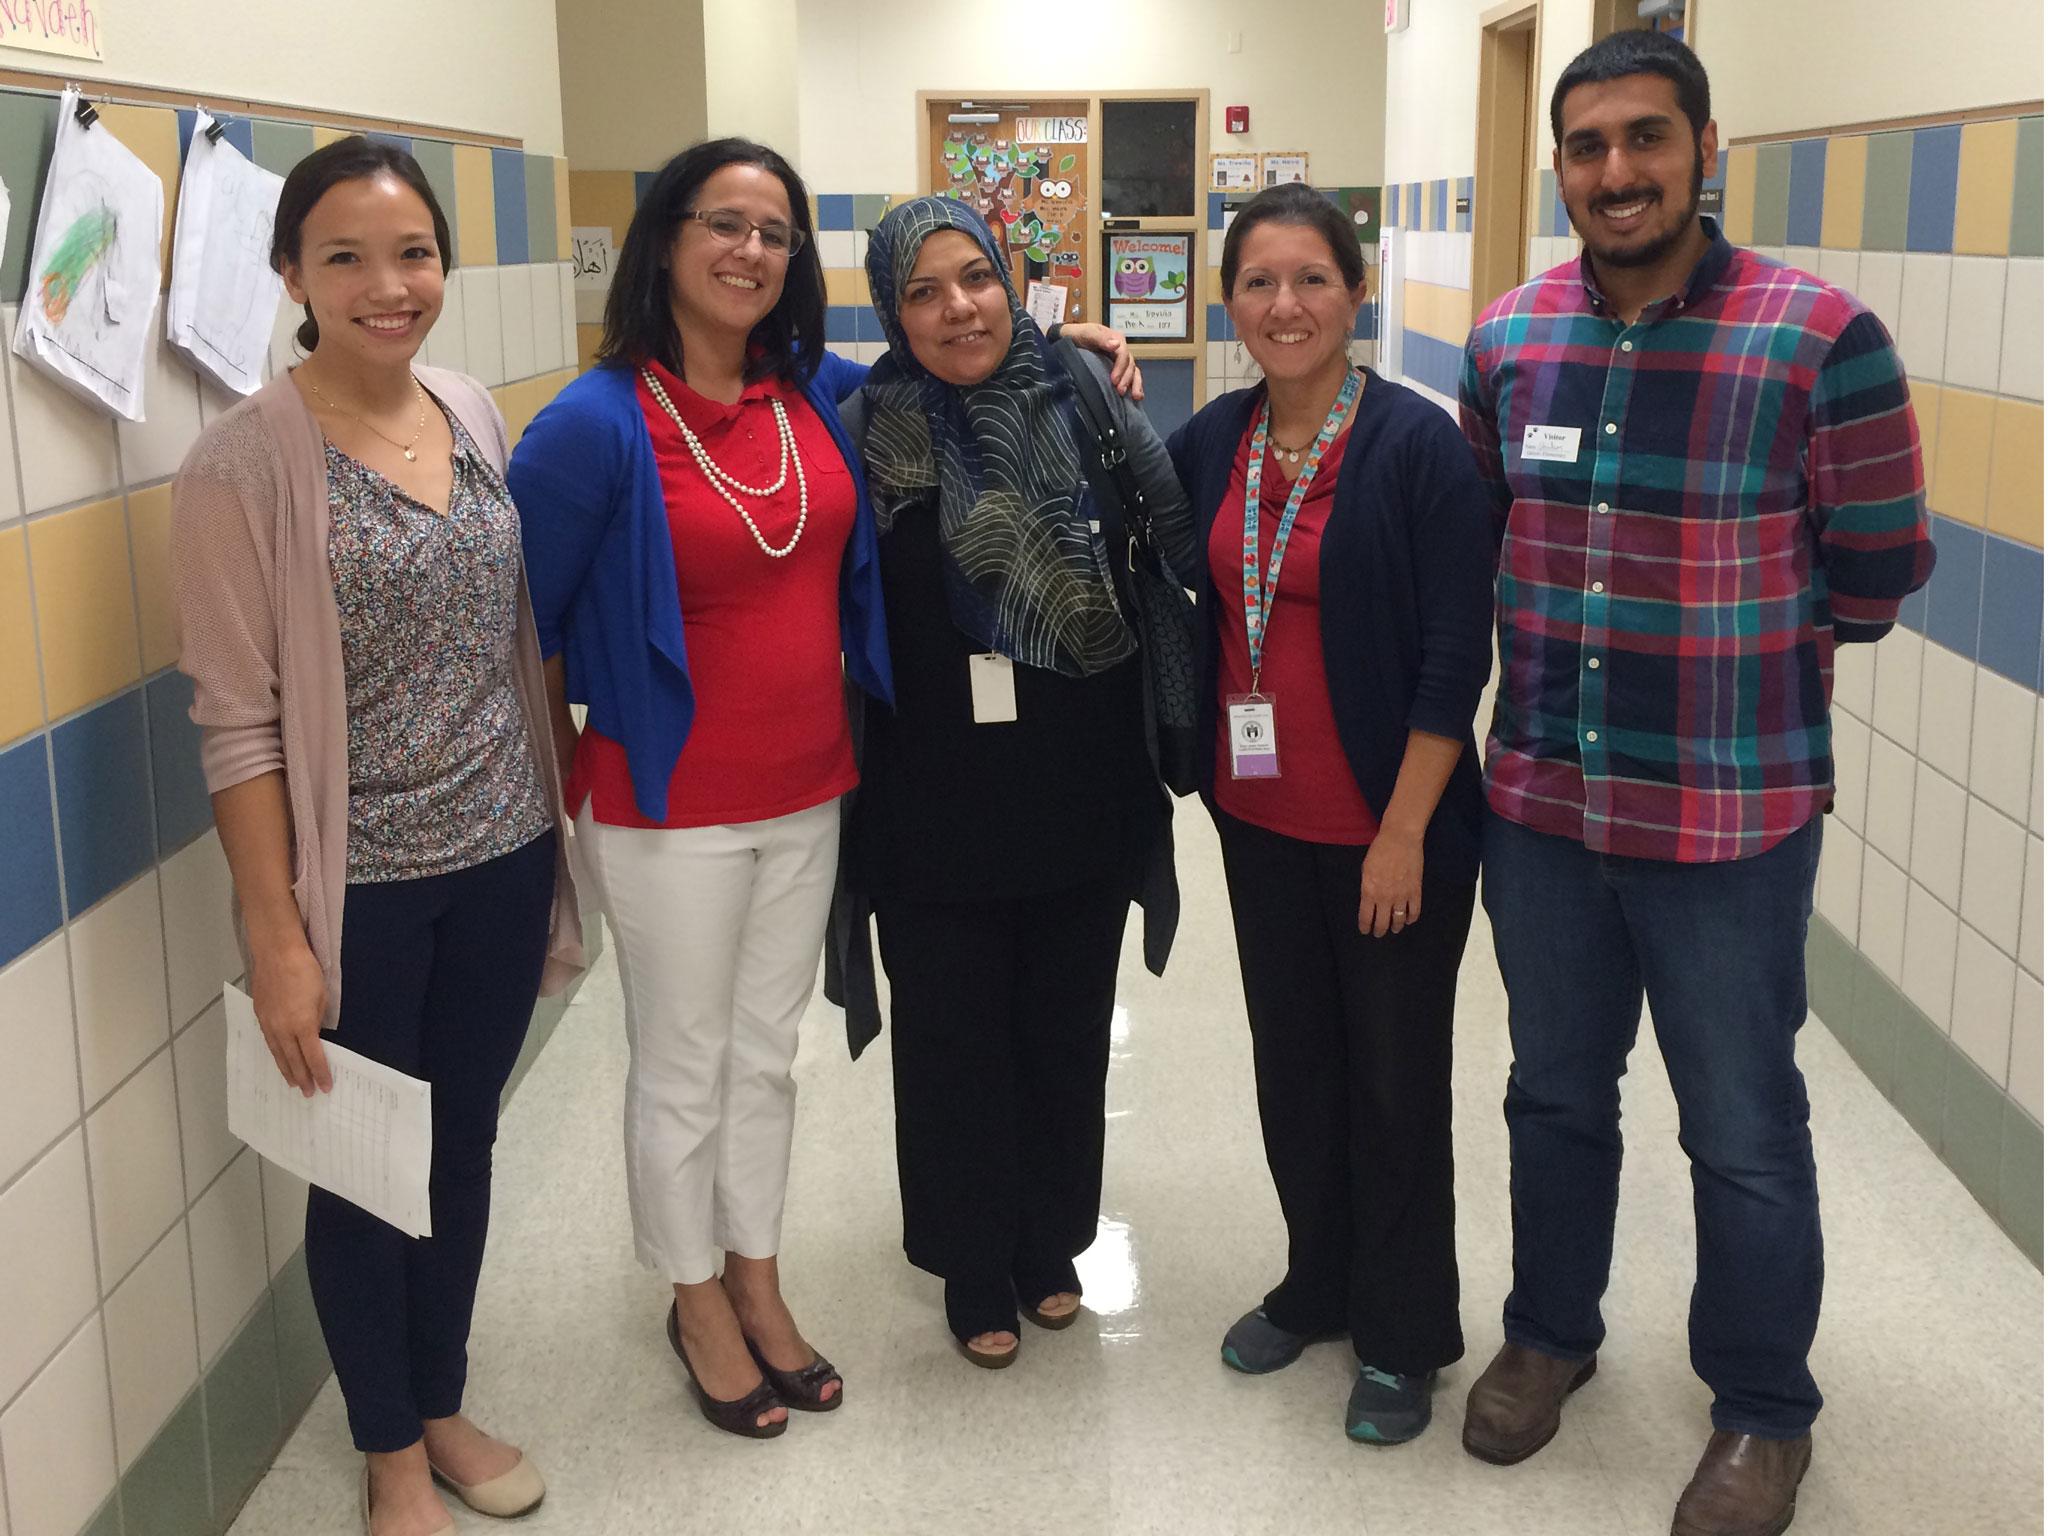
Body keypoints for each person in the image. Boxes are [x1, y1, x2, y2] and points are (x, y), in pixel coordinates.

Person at [507, 145, 1137, 1430]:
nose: (749, 252)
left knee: (763, 1062)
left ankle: (757, 1277)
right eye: (721, 225)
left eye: (775, 233)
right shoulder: (592, 423)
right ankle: (694, 1303)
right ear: (664, 243)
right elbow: (517, 625)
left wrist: (1071, 349)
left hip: (810, 792)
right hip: (668, 802)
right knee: (682, 1066)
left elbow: (946, 379)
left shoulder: (810, 395)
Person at [1458, 30, 1936, 1536]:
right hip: (1540, 802)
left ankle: (1763, 1412)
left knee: (1739, 1122)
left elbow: (1874, 571)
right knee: (1553, 1092)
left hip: (1728, 816)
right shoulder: (1509, 336)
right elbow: (1491, 536)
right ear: (1559, 167)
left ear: (1705, 148)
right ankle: (1551, 1336)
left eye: (1646, 139)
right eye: (1589, 147)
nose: (1618, 172)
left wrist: (1744, 676)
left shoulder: (1819, 336)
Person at [171, 137, 583, 1536]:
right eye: (343, 255)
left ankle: (443, 1397)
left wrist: (565, 807)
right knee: (363, 1174)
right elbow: (236, 725)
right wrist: (274, 933)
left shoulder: (469, 409)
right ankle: (388, 1448)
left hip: (503, 853)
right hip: (361, 891)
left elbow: (514, 640)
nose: (386, 284)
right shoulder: (239, 465)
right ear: (291, 273)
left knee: (458, 1146)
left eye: (411, 254)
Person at [829, 194, 1197, 1368]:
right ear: (890, 310)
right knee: (949, 1034)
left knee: (1062, 1024)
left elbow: (1172, 540)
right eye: (922, 292)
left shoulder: (1083, 393)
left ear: (1011, 280)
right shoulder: (858, 422)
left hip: (1078, 775)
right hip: (929, 789)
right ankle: (970, 1259)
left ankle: (1049, 1244)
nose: (955, 309)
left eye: (973, 280)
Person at [1162, 182, 1496, 1444]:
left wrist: (1404, 831)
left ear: (1351, 292)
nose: (1283, 305)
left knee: (1395, 1081)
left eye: (1309, 279)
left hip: (1390, 827)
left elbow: (1451, 656)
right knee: (1293, 1066)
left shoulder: (1416, 451)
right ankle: (1317, 1280)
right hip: (1260, 822)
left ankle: (1404, 1331)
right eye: (1257, 282)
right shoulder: (1216, 439)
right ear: (1230, 301)